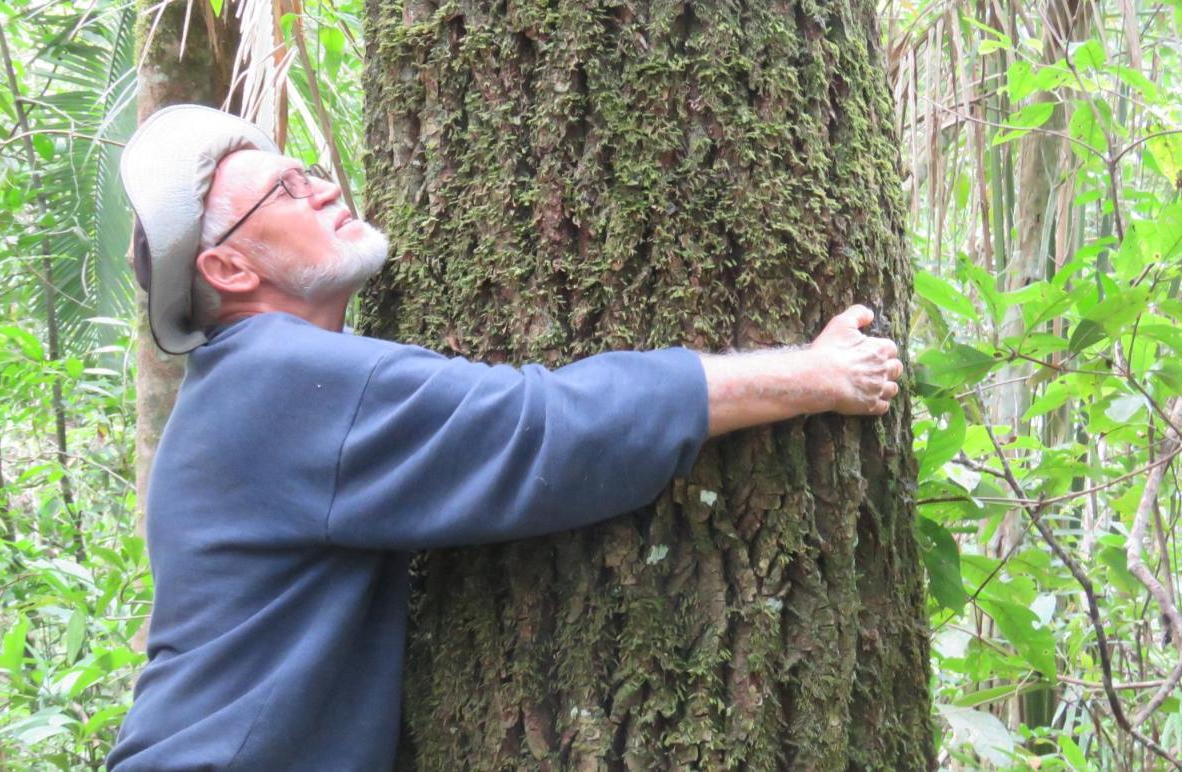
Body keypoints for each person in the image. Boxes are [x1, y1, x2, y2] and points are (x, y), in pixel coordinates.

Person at [107, 105, 903, 770]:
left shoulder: (245, 388)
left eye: (308, 170)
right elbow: (545, 431)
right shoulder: (273, 376)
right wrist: (807, 376)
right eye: (284, 190)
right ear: (231, 270)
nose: (320, 190)